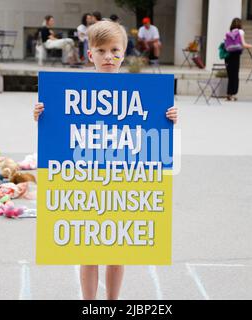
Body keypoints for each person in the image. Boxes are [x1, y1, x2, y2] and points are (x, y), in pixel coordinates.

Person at [33, 20, 177, 300]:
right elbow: (59, 129)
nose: (108, 56)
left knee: (117, 249)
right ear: (90, 55)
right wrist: (41, 115)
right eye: (101, 51)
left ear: (124, 52)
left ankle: (112, 302)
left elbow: (151, 133)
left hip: (123, 179)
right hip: (86, 177)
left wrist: (169, 117)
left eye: (115, 50)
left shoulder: (140, 92)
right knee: (88, 249)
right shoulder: (72, 89)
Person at [224, 18, 252, 102]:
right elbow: (243, 44)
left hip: (228, 56)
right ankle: (233, 94)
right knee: (235, 75)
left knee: (230, 75)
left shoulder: (229, 33)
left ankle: (229, 94)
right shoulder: (240, 32)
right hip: (235, 55)